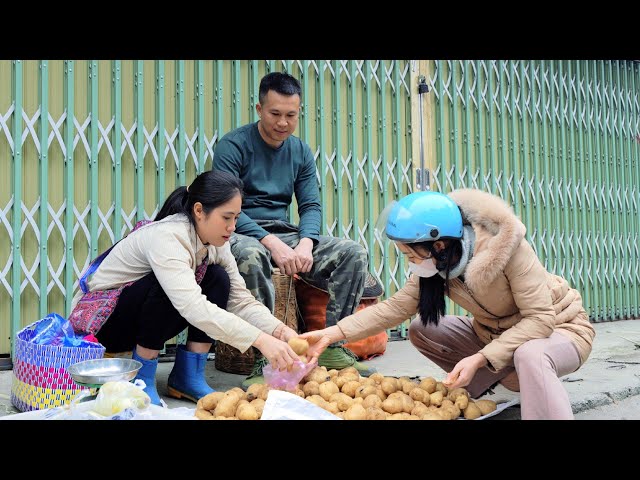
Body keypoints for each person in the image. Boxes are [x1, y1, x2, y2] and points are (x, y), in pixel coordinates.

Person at [300, 189, 596, 420]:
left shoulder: (508, 250)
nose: (410, 262)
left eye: (411, 254)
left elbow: (540, 320)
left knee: (530, 354)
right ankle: (514, 383)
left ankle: (534, 386)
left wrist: (480, 359)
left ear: (438, 245)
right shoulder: (438, 264)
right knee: (422, 328)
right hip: (499, 337)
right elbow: (395, 307)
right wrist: (332, 334)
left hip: (559, 330)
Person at [69, 170, 301, 405]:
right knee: (168, 287)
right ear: (199, 211)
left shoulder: (216, 242)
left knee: (219, 278)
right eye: (226, 217)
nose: (232, 227)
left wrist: (280, 332)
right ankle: (141, 379)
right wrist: (260, 340)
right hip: (104, 327)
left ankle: (188, 377)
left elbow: (239, 300)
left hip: (138, 317)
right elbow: (192, 307)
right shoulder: (168, 237)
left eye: (236, 218)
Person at [212, 71, 373, 385]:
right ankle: (266, 359)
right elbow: (226, 208)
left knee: (353, 253)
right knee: (250, 253)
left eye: (291, 115)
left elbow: (311, 205)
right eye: (275, 114)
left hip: (284, 233)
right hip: (237, 232)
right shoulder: (233, 146)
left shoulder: (299, 151)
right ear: (259, 110)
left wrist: (306, 243)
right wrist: (271, 242)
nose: (282, 123)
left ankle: (330, 347)